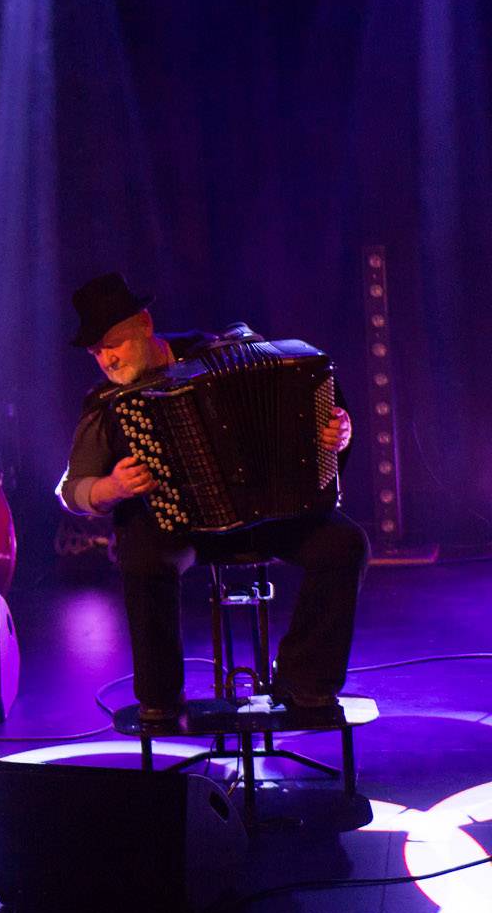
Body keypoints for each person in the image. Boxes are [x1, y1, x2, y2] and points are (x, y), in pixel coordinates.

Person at [56, 271, 367, 722]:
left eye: (113, 344)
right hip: (177, 529)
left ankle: (306, 684)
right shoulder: (108, 402)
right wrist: (111, 488)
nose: (107, 359)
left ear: (145, 324)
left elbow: (313, 412)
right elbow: (70, 490)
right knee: (140, 555)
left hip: (265, 513)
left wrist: (337, 431)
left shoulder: (221, 351)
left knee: (345, 544)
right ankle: (160, 700)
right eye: (96, 352)